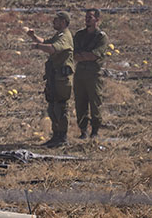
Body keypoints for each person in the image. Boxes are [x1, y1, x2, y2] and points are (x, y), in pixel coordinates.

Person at [28, 11, 74, 147]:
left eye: (56, 20)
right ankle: (56, 136)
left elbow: (53, 49)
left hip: (62, 79)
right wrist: (33, 37)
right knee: (53, 107)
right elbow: (46, 42)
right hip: (54, 77)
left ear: (63, 22)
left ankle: (62, 137)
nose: (54, 22)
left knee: (61, 106)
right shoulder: (58, 35)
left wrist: (37, 46)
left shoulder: (65, 36)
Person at [73, 9, 109, 139]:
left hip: (94, 74)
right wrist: (85, 56)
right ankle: (83, 131)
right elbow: (74, 54)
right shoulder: (79, 35)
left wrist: (83, 56)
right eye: (86, 17)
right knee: (80, 103)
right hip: (80, 73)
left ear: (97, 20)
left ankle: (95, 131)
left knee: (95, 103)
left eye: (90, 17)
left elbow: (94, 55)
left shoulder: (101, 37)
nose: (87, 19)